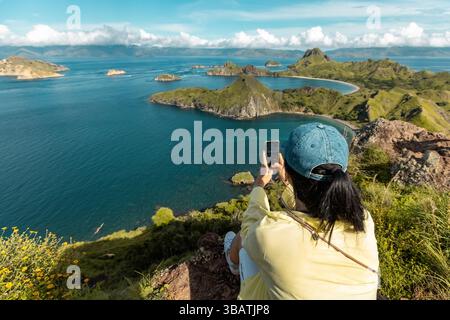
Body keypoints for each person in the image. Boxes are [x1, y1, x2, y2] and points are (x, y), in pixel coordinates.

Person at [224, 123, 379, 300]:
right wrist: (288, 182)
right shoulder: (363, 219)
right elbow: (309, 208)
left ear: (289, 171)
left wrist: (259, 184)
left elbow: (250, 227)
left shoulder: (270, 234)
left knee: (244, 243)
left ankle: (232, 261)